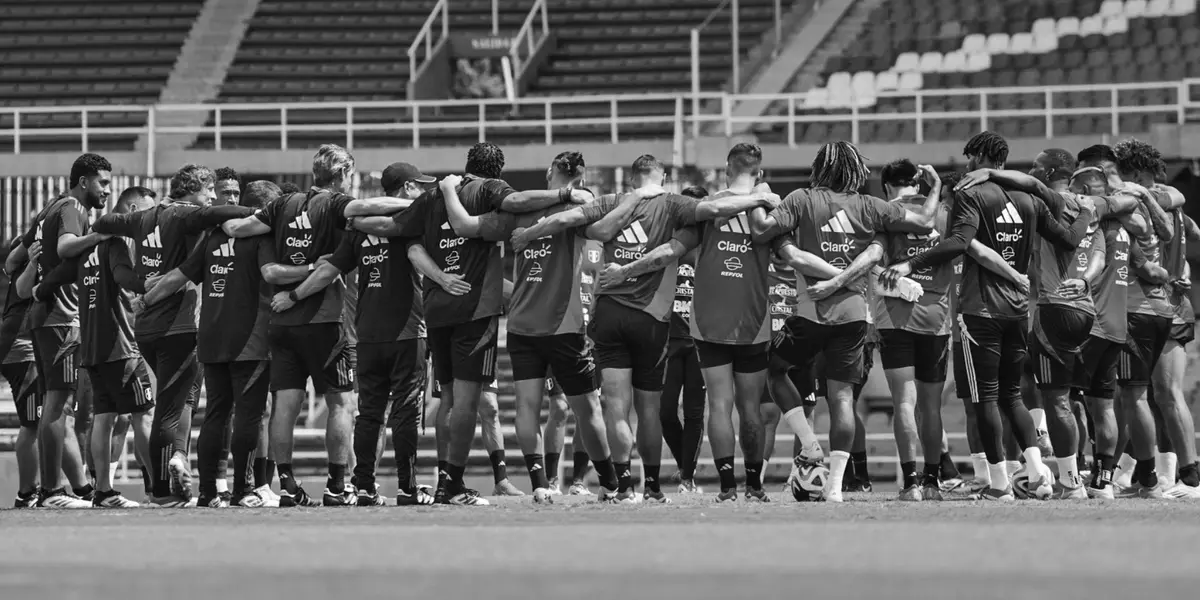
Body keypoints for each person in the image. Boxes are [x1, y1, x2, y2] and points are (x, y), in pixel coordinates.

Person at [513, 154, 778, 503]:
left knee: (615, 405)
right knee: (649, 410)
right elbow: (714, 211)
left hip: (607, 313)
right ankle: (652, 487)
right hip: (651, 318)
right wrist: (760, 197)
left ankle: (624, 487)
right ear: (663, 177)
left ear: (634, 179)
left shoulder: (612, 201)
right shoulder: (674, 204)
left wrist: (527, 234)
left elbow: (568, 219)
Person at [354, 142, 592, 505]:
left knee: (448, 398)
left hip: (436, 312)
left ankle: (442, 484)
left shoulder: (433, 197)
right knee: (467, 401)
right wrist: (564, 193)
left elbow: (393, 228)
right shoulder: (487, 189)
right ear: (497, 171)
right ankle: (453, 485)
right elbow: (516, 203)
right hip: (474, 311)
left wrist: (353, 218)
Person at [881, 132, 1095, 501]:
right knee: (1013, 397)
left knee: (985, 399)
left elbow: (960, 243)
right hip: (1018, 309)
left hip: (980, 309)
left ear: (981, 157)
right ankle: (1038, 472)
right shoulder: (1029, 198)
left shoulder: (972, 193)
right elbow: (1069, 239)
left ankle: (999, 484)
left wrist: (908, 264)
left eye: (969, 158)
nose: (966, 165)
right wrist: (1089, 213)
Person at [750, 141, 938, 502]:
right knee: (841, 398)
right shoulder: (870, 206)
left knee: (774, 371)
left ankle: (810, 446)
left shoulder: (802, 199)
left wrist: (760, 193)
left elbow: (761, 231)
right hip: (854, 315)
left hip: (810, 311)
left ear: (820, 167)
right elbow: (925, 220)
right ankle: (835, 487)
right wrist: (937, 188)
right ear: (856, 171)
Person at [219, 144, 405, 507]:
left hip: (282, 322)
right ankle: (338, 486)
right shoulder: (335, 203)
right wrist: (419, 205)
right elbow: (367, 209)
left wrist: (215, 213)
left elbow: (240, 228)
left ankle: (285, 483)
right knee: (341, 405)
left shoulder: (281, 205)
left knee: (285, 405)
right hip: (324, 319)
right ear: (340, 175)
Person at [436, 151, 622, 503]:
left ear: (550, 172)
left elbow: (468, 227)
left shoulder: (517, 211)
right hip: (565, 325)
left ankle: (539, 483)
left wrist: (447, 192)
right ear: (581, 179)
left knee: (526, 407)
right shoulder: (585, 208)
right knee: (587, 409)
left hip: (520, 324)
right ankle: (612, 484)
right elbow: (605, 226)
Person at [271, 163, 436, 506]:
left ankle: (364, 487)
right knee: (405, 411)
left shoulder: (358, 230)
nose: (420, 191)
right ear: (405, 188)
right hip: (407, 330)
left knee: (370, 413)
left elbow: (326, 272)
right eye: (417, 186)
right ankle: (407, 488)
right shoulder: (413, 220)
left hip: (367, 335)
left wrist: (293, 296)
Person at [91, 164, 254, 506]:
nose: (211, 198)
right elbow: (222, 212)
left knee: (182, 400)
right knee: (168, 407)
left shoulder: (142, 218)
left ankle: (178, 458)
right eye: (209, 191)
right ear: (194, 189)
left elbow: (102, 222)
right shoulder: (184, 216)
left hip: (146, 329)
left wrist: (102, 234)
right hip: (179, 325)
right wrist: (261, 212)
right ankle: (164, 489)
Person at [141, 180, 281, 507]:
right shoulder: (263, 237)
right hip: (251, 338)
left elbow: (180, 275)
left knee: (217, 413)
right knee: (249, 414)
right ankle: (245, 490)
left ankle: (207, 492)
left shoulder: (212, 237)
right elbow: (272, 274)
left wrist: (147, 298)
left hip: (212, 339)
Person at [32, 189, 159, 508]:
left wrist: (34, 288)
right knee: (144, 414)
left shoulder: (85, 248)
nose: (152, 219)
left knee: (105, 415)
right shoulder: (114, 244)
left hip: (91, 350)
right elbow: (124, 278)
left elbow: (49, 283)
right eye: (148, 212)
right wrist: (150, 284)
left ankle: (103, 490)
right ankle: (158, 490)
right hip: (121, 347)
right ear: (131, 210)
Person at [9, 154, 115, 508]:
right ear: (83, 181)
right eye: (102, 182)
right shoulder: (72, 207)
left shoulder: (46, 211)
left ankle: (64, 490)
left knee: (56, 406)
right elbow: (66, 246)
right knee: (58, 405)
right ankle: (53, 492)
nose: (108, 189)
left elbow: (11, 262)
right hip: (61, 316)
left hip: (42, 316)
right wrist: (100, 235)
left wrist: (36, 264)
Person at [1114, 139, 1199, 498]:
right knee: (1152, 394)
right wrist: (1184, 267)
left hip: (1156, 303)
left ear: (1134, 172)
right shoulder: (1174, 203)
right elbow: (1193, 234)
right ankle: (1158, 474)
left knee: (1154, 394)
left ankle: (1188, 478)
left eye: (1120, 171)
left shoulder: (1144, 202)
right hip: (1172, 303)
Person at [874, 159, 955, 500]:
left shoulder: (881, 212)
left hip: (895, 317)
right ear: (918, 183)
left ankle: (910, 485)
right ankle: (934, 483)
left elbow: (873, 265)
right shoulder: (944, 214)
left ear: (887, 186)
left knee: (904, 404)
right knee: (931, 406)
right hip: (937, 318)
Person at [660, 186, 707, 495]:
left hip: (699, 341)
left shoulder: (711, 247)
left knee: (693, 414)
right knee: (664, 412)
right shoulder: (669, 244)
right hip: (667, 339)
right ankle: (684, 467)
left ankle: (688, 479)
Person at [2, 238, 43, 507]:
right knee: (34, 423)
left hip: (20, 345)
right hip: (22, 348)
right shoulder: (30, 259)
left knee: (41, 420)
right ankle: (27, 492)